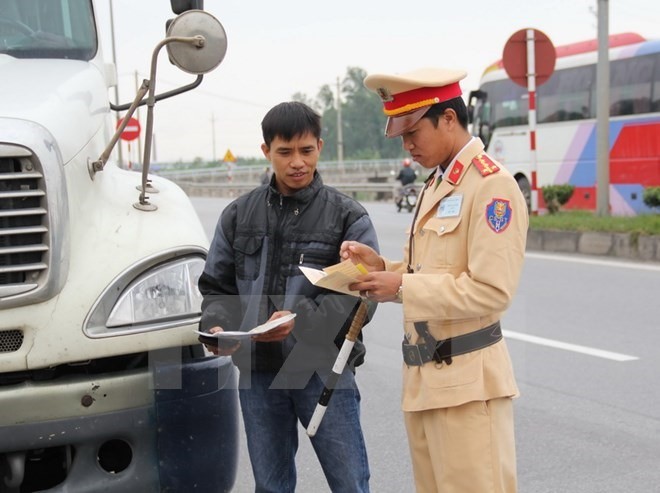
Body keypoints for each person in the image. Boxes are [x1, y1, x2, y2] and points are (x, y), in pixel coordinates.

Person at [340, 68, 528, 492]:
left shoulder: (491, 186)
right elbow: (422, 271)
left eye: (413, 131)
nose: (407, 145)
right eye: (401, 134)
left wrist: (402, 288)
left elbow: (491, 290)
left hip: (467, 387)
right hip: (427, 382)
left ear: (448, 119)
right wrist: (382, 268)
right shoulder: (436, 185)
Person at [198, 101, 378, 493]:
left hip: (323, 369)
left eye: (306, 150)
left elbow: (363, 297)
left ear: (320, 147)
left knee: (350, 483)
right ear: (266, 151)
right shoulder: (237, 216)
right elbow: (216, 286)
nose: (297, 162)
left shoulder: (348, 218)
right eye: (285, 152)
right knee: (271, 486)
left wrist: (303, 320)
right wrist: (217, 327)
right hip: (259, 372)